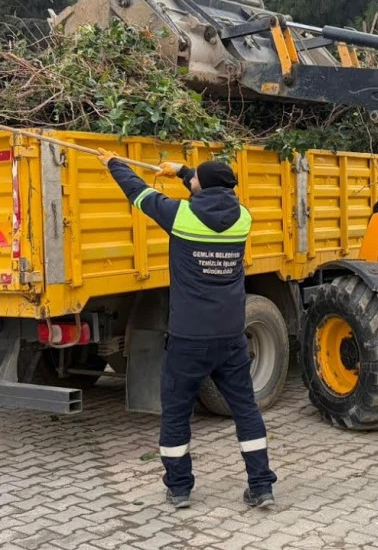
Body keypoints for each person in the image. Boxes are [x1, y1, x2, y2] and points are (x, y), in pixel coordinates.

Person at [98, 149, 277, 509]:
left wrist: (114, 164)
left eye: (195, 179)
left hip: (189, 338)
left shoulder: (180, 216)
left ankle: (179, 488)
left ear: (202, 186)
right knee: (245, 409)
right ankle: (261, 486)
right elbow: (212, 188)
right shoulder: (243, 218)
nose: (191, 180)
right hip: (230, 336)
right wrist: (182, 170)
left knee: (177, 412)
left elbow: (138, 192)